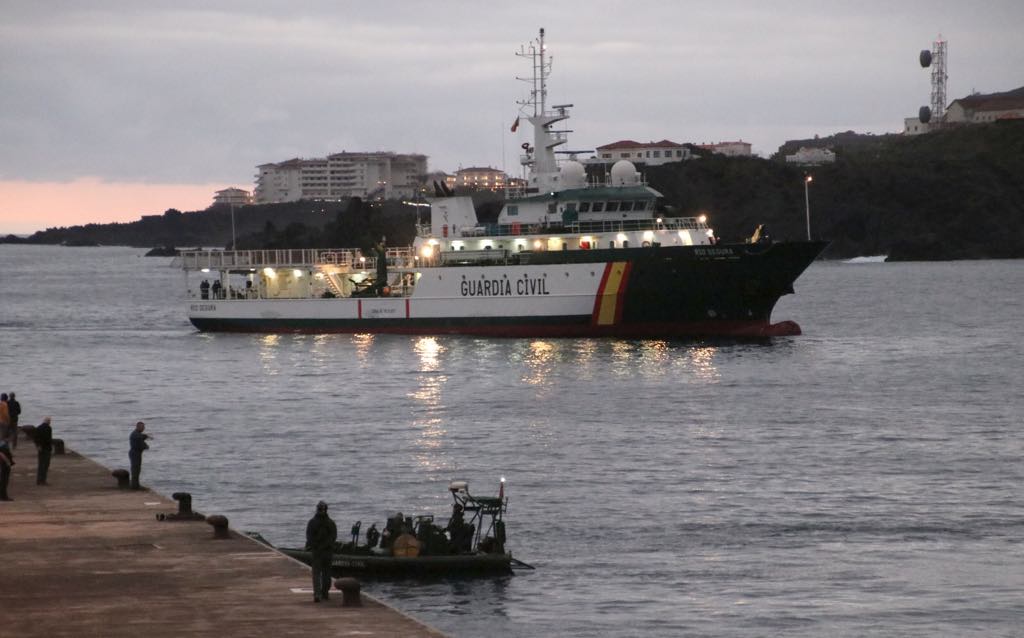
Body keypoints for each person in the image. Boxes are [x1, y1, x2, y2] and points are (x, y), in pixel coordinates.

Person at [305, 501, 337, 603]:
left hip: (317, 552)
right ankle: (325, 593)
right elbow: (333, 537)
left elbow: (309, 538)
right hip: (327, 552)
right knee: (327, 574)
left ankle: (318, 594)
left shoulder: (312, 522)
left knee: (316, 574)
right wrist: (325, 546)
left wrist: (315, 546)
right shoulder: (331, 523)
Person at [128, 421, 150, 490]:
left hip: (135, 453)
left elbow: (141, 436)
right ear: (137, 427)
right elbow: (141, 444)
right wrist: (146, 446)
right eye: (142, 427)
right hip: (135, 453)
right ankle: (135, 486)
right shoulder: (136, 435)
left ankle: (136, 485)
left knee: (137, 469)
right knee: (135, 470)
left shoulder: (136, 433)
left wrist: (146, 436)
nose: (143, 428)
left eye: (144, 427)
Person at [35, 417, 53, 485]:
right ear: (48, 421)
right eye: (50, 421)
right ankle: (43, 480)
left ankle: (38, 480)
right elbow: (49, 439)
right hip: (46, 448)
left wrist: (38, 446)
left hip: (40, 448)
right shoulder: (48, 428)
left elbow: (36, 438)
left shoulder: (38, 427)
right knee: (45, 465)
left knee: (40, 464)